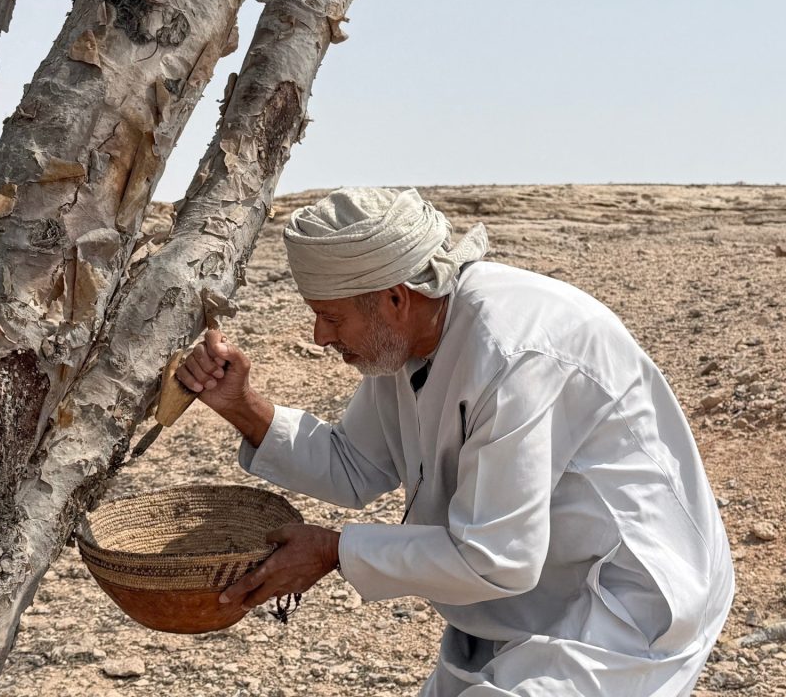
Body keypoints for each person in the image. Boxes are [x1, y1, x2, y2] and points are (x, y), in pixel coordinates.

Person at [176, 188, 733, 696]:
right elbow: (353, 467)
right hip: (519, 603)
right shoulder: (405, 342)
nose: (320, 337)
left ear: (395, 297)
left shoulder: (515, 355)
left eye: (330, 317)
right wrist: (242, 407)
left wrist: (333, 551)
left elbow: (496, 560)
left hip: (622, 602)